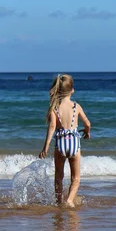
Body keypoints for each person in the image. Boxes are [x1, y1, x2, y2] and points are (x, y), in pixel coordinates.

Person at [39, 74, 91, 208]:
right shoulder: (76, 107)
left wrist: (45, 147)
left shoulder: (54, 108)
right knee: (76, 178)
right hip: (74, 143)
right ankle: (70, 200)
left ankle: (59, 202)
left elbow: (51, 127)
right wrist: (87, 132)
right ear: (72, 90)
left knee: (59, 177)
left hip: (60, 144)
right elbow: (88, 123)